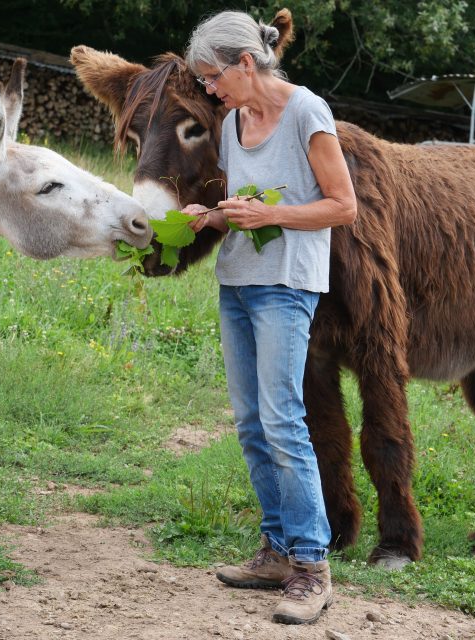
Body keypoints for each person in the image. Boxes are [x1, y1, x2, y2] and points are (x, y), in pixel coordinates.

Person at [183, 10, 357, 626]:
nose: (209, 89)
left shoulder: (308, 112)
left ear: (246, 63)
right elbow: (247, 206)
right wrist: (214, 217)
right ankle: (278, 551)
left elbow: (342, 207)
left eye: (212, 77)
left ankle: (312, 568)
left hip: (286, 286)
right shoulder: (232, 123)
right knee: (252, 423)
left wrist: (270, 217)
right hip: (237, 282)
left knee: (284, 420)